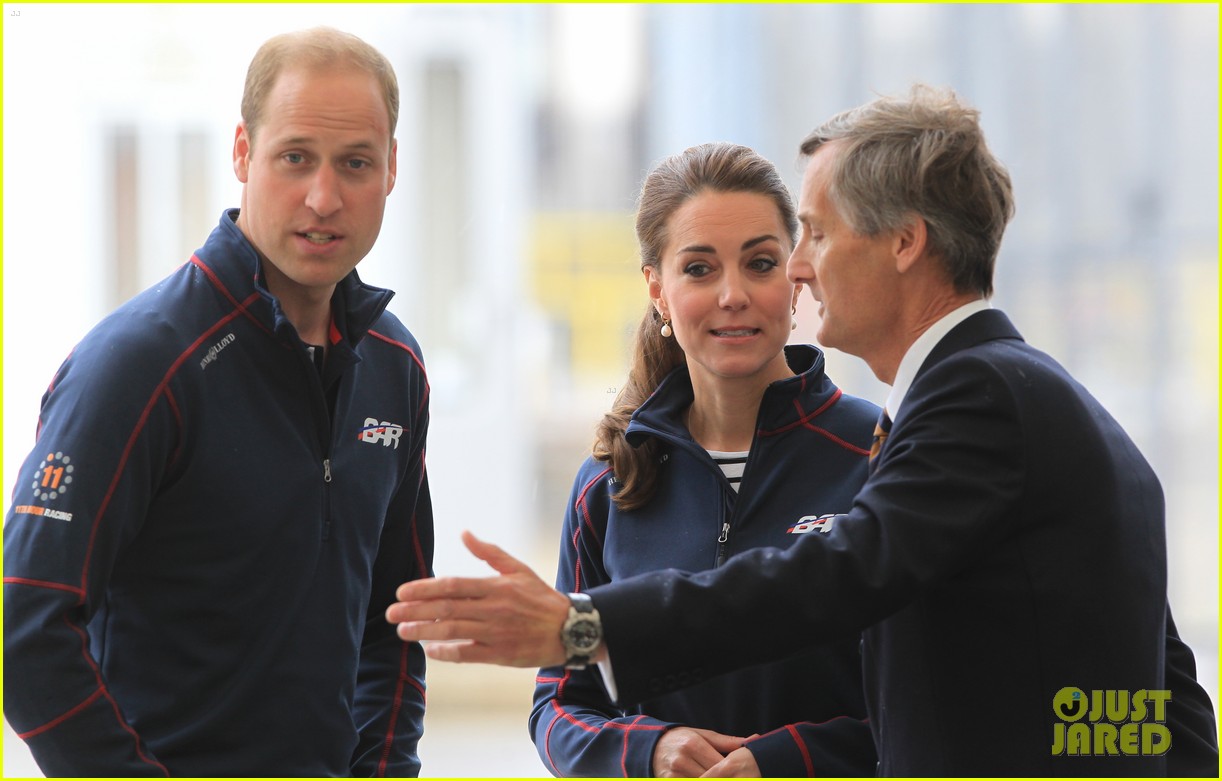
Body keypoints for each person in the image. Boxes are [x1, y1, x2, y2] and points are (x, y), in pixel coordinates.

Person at [387, 85, 1219, 776]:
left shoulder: (975, 401)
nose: (796, 268)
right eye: (701, 267)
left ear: (904, 242)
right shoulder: (1019, 394)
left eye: (809, 234)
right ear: (656, 287)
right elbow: (1166, 701)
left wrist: (585, 625)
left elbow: (830, 575)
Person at [4, 27, 432, 776]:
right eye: (295, 157)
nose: (323, 197)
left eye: (355, 163)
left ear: (392, 168)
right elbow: (23, 624)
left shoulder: (393, 365)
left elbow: (394, 620)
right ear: (242, 153)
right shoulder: (140, 363)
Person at [530, 143, 879, 778]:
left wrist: (782, 763)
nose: (733, 294)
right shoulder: (610, 482)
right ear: (657, 289)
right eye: (699, 269)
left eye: (760, 263)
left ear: (795, 276)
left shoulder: (877, 455)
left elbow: (923, 704)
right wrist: (647, 749)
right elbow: (560, 703)